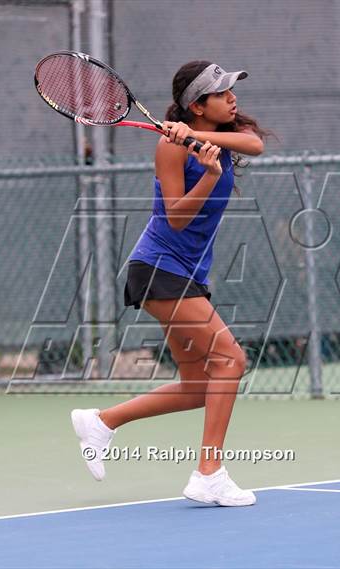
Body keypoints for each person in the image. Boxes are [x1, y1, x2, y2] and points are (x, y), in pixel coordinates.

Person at [71, 60, 273, 507]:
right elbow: (178, 218)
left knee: (197, 387)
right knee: (230, 361)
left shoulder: (210, 138)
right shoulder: (171, 149)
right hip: (161, 268)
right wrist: (211, 173)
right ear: (197, 105)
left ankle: (101, 422)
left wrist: (202, 139)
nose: (232, 97)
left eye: (230, 90)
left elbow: (254, 144)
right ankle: (209, 472)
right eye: (221, 93)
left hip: (186, 275)